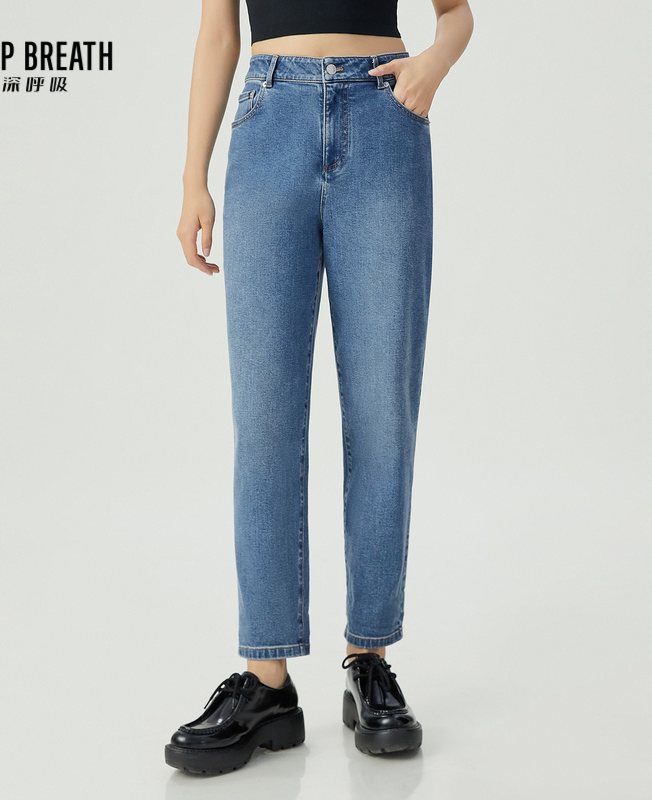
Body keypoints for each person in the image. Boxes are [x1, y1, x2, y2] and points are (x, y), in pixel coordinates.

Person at [166, 0, 474, 775]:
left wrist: (434, 65)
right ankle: (266, 681)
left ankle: (369, 659)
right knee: (264, 418)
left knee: (382, 411)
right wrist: (193, 177)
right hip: (268, 119)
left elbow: (457, 13)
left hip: (384, 119)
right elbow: (218, 31)